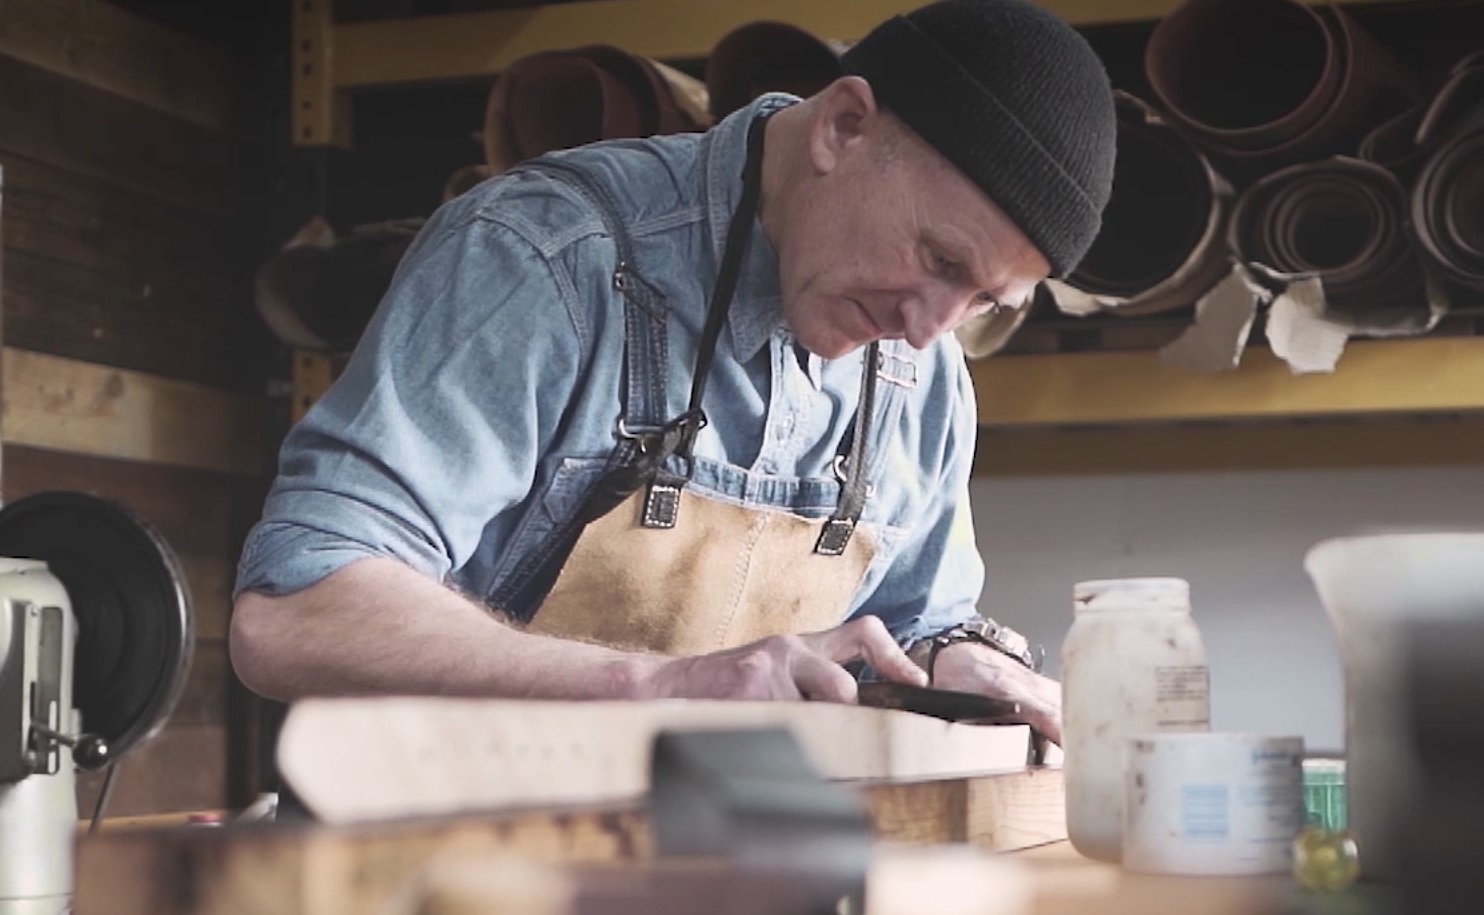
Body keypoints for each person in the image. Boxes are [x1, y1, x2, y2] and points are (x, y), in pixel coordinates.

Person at [230, 0, 1116, 743]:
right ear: (844, 129)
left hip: (721, 901)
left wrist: (951, 663)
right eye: (939, 257)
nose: (929, 331)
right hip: (448, 887)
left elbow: (912, 624)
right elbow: (292, 613)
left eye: (984, 302)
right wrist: (655, 686)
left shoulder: (923, 374)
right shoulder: (544, 259)